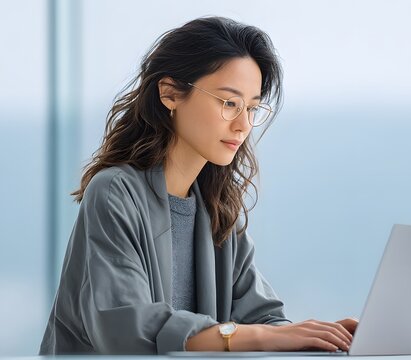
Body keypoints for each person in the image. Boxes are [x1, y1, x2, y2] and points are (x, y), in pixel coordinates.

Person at [39, 16, 358, 355]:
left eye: (251, 107)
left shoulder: (217, 208)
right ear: (170, 93)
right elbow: (127, 326)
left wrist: (319, 337)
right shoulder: (115, 192)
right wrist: (264, 337)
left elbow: (261, 317)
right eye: (229, 103)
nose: (243, 125)